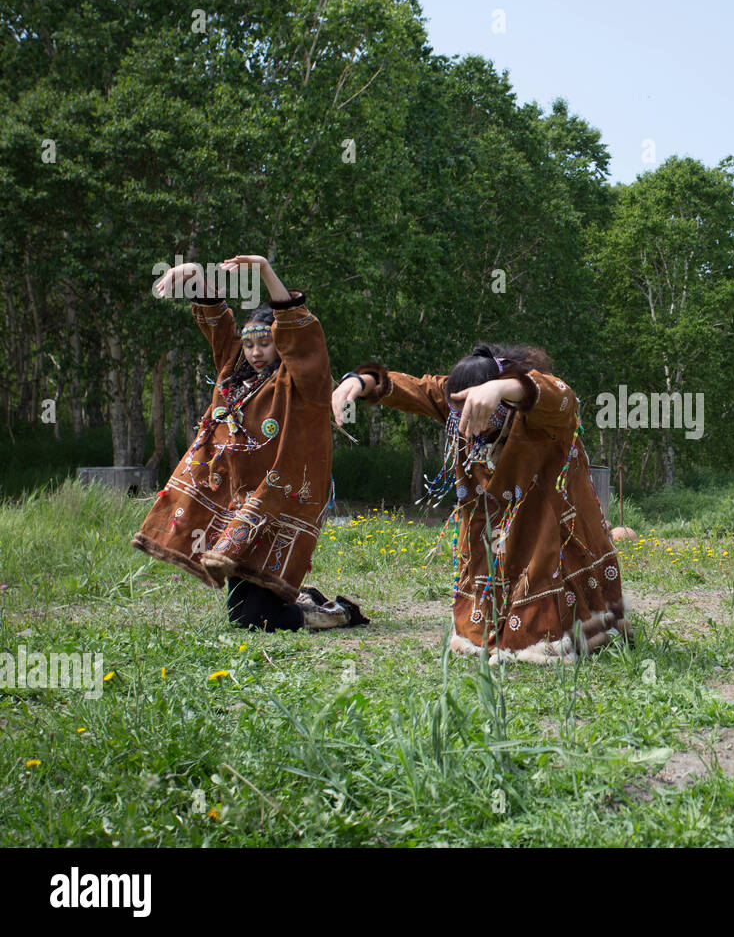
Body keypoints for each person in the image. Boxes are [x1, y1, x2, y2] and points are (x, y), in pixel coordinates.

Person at [332, 344, 628, 663]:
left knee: (540, 594)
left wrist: (501, 387)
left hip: (544, 520)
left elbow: (562, 395)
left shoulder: (539, 413)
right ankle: (488, 631)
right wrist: (360, 382)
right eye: (461, 414)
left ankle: (551, 637)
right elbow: (414, 388)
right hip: (488, 523)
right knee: (481, 598)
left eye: (480, 413)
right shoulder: (459, 402)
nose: (469, 424)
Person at [131, 257, 366, 632]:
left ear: (282, 344)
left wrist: (265, 271)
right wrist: (193, 274)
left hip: (279, 500)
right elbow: (217, 321)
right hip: (240, 501)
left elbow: (300, 332)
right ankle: (306, 600)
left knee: (251, 618)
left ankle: (335, 613)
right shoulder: (235, 371)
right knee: (248, 613)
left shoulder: (302, 382)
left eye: (266, 344)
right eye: (250, 344)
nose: (256, 352)